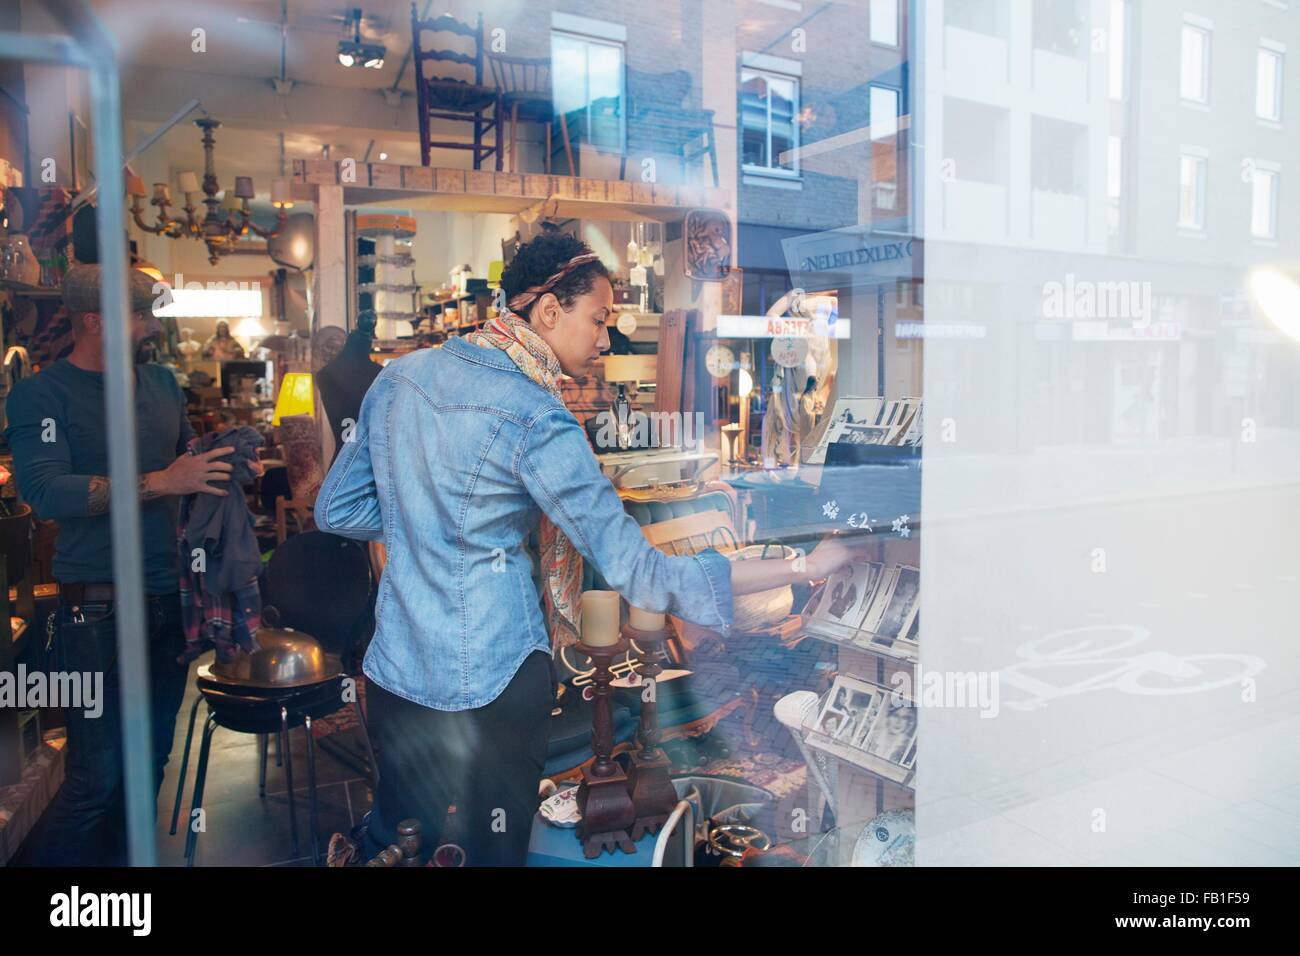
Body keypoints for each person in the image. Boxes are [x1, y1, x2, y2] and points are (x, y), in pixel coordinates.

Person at [316, 232, 856, 866]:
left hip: (399, 670)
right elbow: (643, 574)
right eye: (598, 319)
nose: (605, 339)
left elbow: (337, 509)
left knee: (400, 842)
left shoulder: (399, 379)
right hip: (494, 680)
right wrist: (804, 565)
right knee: (492, 851)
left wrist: (427, 524)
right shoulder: (538, 417)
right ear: (548, 311)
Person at [4, 264, 247, 866]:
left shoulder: (162, 382)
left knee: (149, 764)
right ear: (95, 321)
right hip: (93, 609)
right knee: (95, 779)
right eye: (139, 315)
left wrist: (227, 465)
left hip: (168, 599)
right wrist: (161, 481)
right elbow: (44, 491)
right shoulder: (43, 394)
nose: (149, 326)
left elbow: (186, 461)